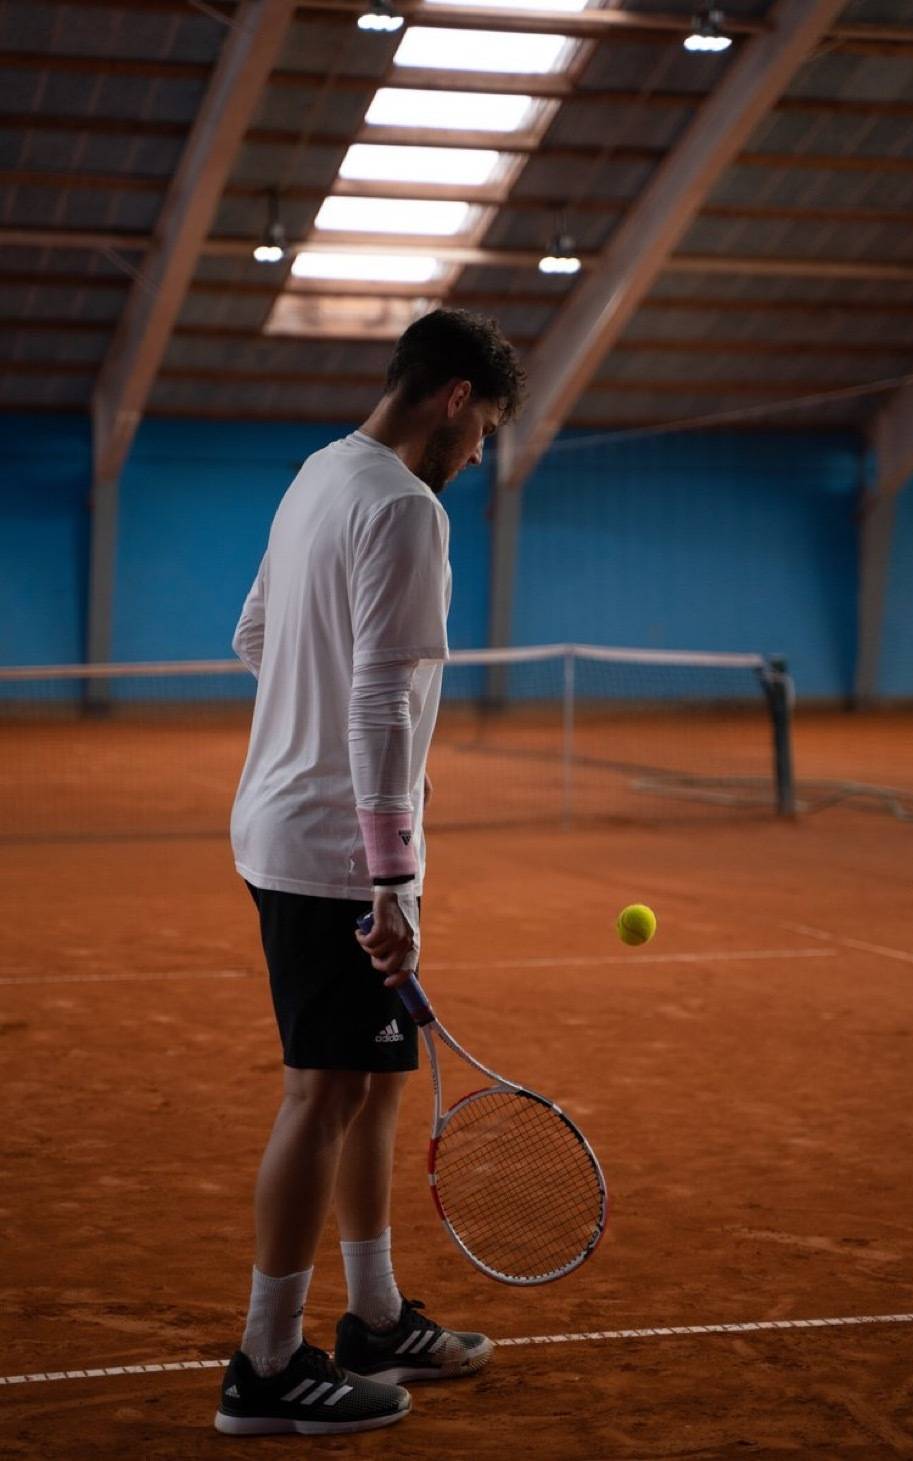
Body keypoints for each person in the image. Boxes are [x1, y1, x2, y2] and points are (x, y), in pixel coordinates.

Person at [214, 309, 525, 1437]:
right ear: (451, 396)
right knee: (322, 1092)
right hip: (338, 852)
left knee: (374, 1082)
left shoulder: (317, 476)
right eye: (483, 425)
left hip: (290, 824)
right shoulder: (402, 504)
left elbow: (254, 635)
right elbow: (380, 695)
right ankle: (265, 1364)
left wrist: (308, 743)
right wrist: (389, 874)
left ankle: (377, 1315)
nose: (480, 452)